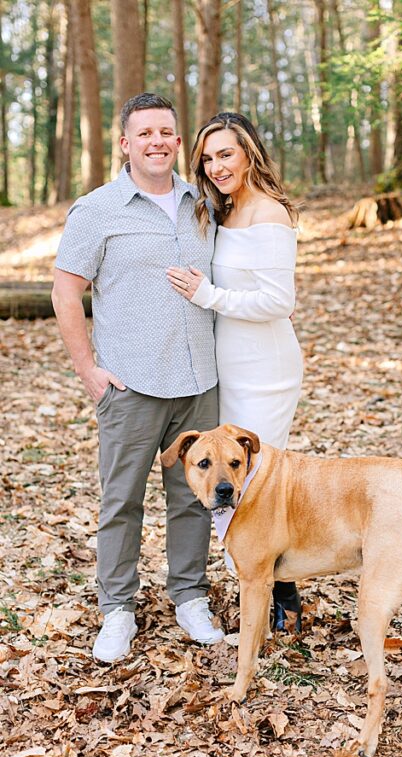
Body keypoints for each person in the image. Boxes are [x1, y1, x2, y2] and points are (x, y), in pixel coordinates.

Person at [52, 93, 225, 664]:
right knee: (121, 501)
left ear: (179, 142)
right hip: (129, 386)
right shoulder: (97, 209)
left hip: (199, 381)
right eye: (144, 132)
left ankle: (190, 596)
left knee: (195, 498)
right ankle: (118, 609)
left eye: (167, 132)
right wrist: (89, 371)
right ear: (125, 143)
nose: (157, 141)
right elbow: (66, 291)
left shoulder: (204, 203)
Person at [165, 112, 304, 632]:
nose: (216, 165)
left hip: (266, 368)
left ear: (248, 152)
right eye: (207, 157)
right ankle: (261, 577)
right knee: (232, 476)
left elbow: (278, 299)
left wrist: (207, 295)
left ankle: (278, 592)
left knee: (259, 481)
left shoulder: (268, 211)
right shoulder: (224, 210)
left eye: (226, 153)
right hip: (231, 364)